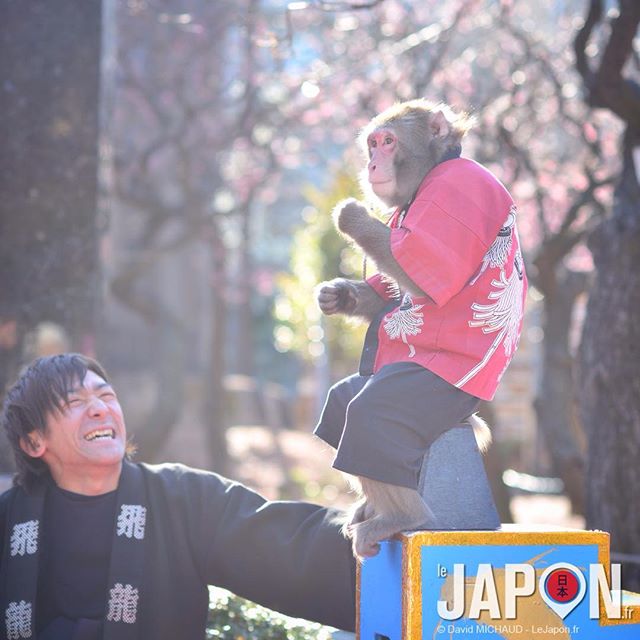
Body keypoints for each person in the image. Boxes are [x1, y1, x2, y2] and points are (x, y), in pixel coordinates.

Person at [0, 353, 356, 640]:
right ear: (34, 441)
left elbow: (287, 546)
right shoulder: (9, 520)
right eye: (73, 401)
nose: (99, 409)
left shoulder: (181, 498)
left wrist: (374, 534)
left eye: (106, 395)